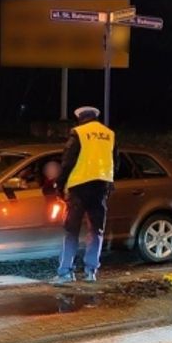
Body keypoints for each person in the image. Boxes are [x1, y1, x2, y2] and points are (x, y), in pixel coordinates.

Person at [49, 105, 117, 285]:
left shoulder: (78, 132)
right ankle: (90, 272)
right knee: (96, 231)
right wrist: (109, 183)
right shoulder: (109, 134)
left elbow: (67, 162)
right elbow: (114, 161)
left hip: (79, 188)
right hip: (101, 187)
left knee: (71, 231)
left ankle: (65, 272)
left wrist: (60, 185)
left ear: (80, 118)